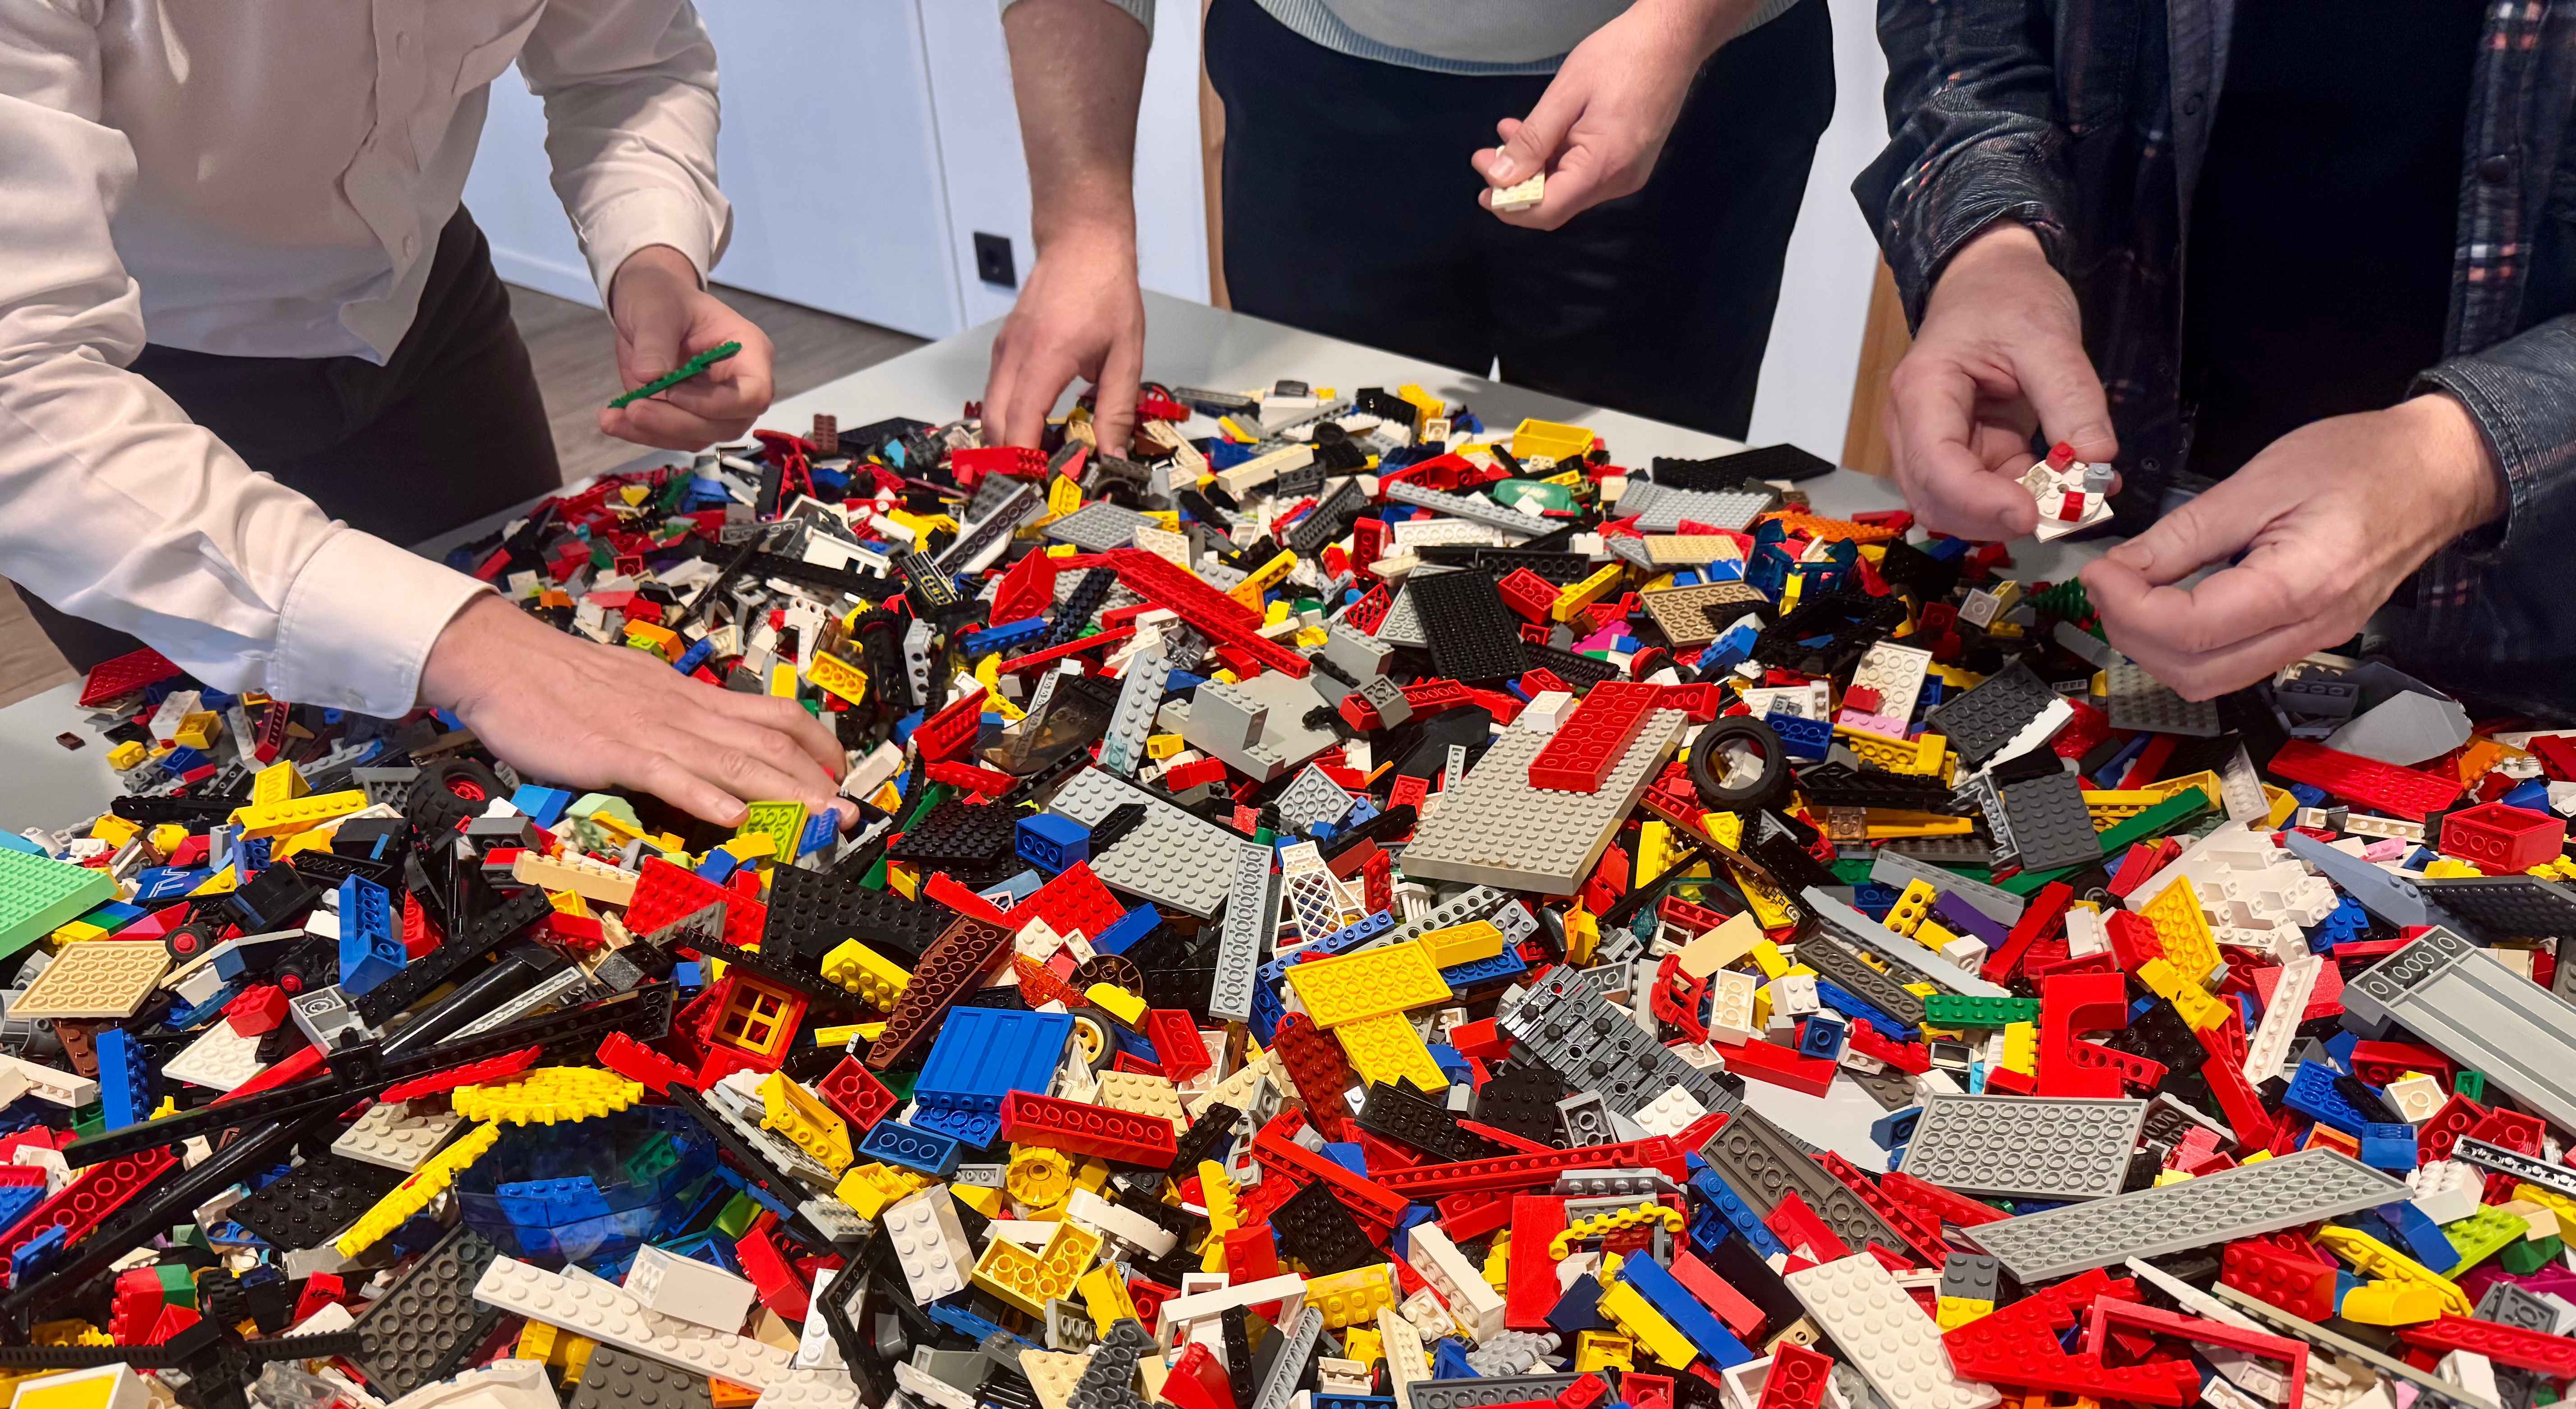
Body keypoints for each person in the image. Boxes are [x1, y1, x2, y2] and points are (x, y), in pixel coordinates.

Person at [0, 0, 848, 827]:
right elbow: (17, 383)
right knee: (211, 781)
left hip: (425, 313)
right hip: (117, 404)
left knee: (539, 610)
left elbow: (630, 64)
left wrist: (653, 260)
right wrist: (479, 652)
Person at [1855, 0, 2576, 716]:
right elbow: (1964, 38)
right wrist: (1987, 249)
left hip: (2516, 627)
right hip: (2094, 505)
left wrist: (2455, 461)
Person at [984, 0, 1833, 453]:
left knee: (1643, 510)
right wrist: (1081, 225)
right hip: (1319, 79)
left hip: (1701, 77)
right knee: (1312, 477)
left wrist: (1681, 23)